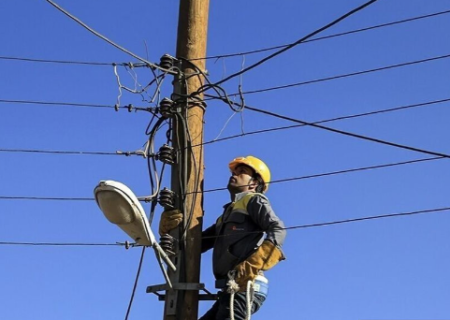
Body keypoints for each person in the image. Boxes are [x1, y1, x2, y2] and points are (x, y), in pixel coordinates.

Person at [160, 156, 287, 320]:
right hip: (229, 289)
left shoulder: (253, 200)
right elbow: (197, 244)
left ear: (253, 184)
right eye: (234, 171)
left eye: (242, 172)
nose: (234, 175)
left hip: (246, 286)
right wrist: (171, 233)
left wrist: (252, 265)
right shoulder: (227, 214)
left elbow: (278, 229)